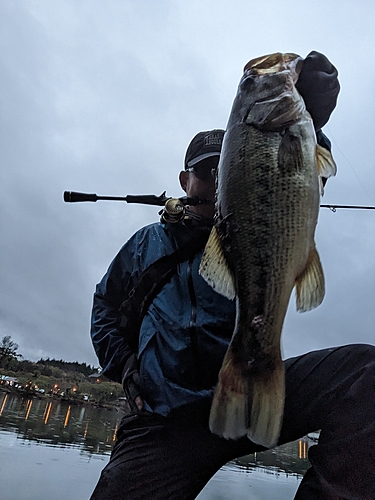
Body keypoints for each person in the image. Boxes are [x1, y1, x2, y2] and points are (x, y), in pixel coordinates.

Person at [90, 52, 375, 500]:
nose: (212, 178)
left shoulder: (248, 216)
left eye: (220, 167)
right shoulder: (146, 244)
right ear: (186, 180)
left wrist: (313, 126)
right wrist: (127, 371)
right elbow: (104, 309)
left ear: (233, 170)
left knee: (366, 373)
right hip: (161, 423)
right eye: (203, 171)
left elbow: (299, 183)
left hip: (247, 392)